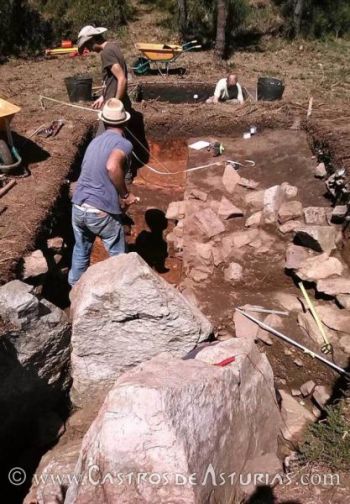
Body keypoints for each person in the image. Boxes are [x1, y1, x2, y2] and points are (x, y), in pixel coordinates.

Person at [68, 99, 138, 286]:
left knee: (81, 249)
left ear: (104, 121)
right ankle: (123, 290)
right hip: (99, 212)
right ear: (124, 121)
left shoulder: (94, 142)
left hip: (78, 207)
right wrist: (125, 195)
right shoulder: (123, 144)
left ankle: (75, 289)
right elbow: (112, 166)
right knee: (118, 256)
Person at [77, 25, 131, 120]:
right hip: (118, 103)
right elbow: (112, 80)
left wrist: (115, 104)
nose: (89, 50)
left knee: (106, 134)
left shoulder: (107, 52)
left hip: (115, 109)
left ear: (92, 40)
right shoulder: (112, 47)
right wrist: (103, 96)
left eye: (87, 46)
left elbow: (122, 79)